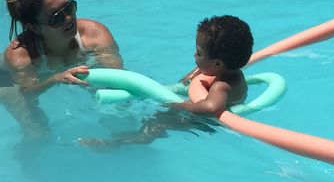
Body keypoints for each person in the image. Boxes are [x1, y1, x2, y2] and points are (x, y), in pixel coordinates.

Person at [79, 15, 253, 149]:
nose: (194, 55)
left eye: (199, 53)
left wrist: (183, 106)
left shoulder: (221, 86)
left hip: (203, 122)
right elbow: (209, 69)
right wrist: (194, 74)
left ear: (217, 64)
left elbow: (210, 108)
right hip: (203, 107)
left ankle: (121, 142)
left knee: (157, 122)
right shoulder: (231, 72)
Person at [1, 0, 123, 141]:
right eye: (57, 17)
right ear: (35, 27)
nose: (68, 18)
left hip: (47, 70)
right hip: (6, 80)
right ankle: (29, 163)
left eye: (69, 8)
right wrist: (55, 78)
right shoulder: (21, 54)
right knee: (38, 133)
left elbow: (117, 79)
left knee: (119, 111)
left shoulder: (94, 34)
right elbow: (28, 94)